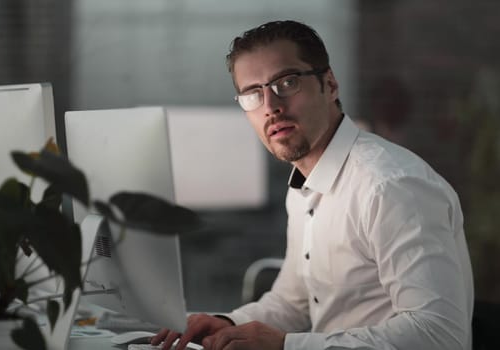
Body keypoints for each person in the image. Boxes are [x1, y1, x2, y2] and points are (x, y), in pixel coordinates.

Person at [152, 20, 474, 350]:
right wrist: (227, 323)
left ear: (330, 84)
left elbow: (440, 335)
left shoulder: (389, 186)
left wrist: (285, 346)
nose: (270, 106)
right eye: (253, 94)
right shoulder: (306, 183)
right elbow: (293, 303)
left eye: (286, 82)